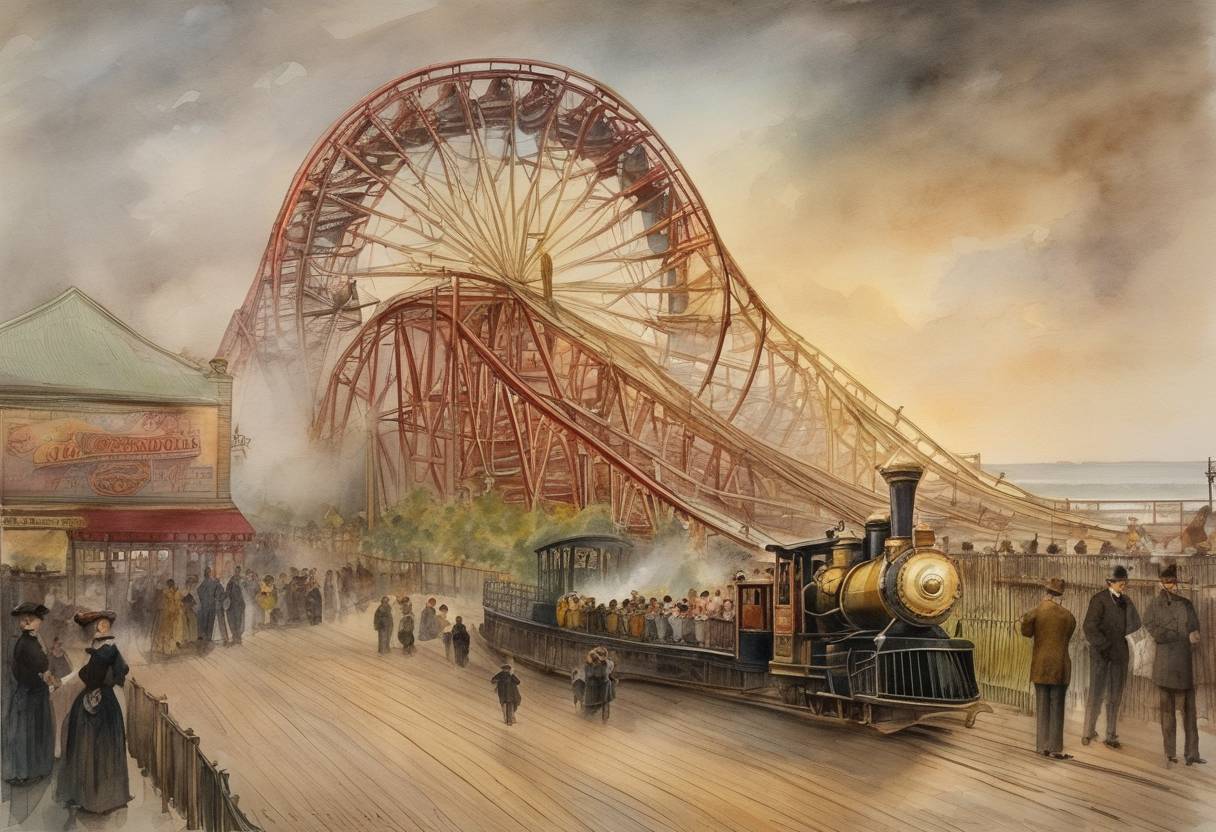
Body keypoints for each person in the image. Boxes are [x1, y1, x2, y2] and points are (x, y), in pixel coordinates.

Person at [57, 610, 131, 814]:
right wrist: (60, 683)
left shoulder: (111, 649)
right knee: (86, 747)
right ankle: (86, 796)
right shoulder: (92, 649)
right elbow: (78, 673)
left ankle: (104, 798)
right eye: (98, 625)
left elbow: (121, 672)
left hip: (104, 703)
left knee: (101, 747)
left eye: (102, 624)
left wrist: (104, 682)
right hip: (90, 700)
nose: (101, 627)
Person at [1142, 563, 1204, 767]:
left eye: (1173, 582)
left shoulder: (1186, 604)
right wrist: (1172, 635)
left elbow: (1195, 630)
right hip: (1165, 663)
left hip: (1183, 663)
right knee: (1167, 711)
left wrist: (1194, 635)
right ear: (1161, 582)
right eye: (1167, 582)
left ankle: (1192, 753)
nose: (1171, 585)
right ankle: (1170, 753)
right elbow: (1149, 626)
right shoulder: (1154, 605)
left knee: (1189, 711)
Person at [1082, 564, 1141, 749]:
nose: (1123, 584)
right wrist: (1104, 644)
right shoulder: (1098, 600)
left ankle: (1111, 735)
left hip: (1119, 656)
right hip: (1100, 655)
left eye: (1125, 582)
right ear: (1110, 582)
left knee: (1115, 695)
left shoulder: (1127, 601)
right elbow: (1089, 627)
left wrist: (1127, 635)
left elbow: (1136, 624)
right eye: (1119, 582)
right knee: (1096, 694)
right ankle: (1088, 732)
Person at [1019, 577, 1076, 759]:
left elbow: (1026, 632)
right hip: (1061, 666)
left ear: (1046, 593)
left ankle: (1041, 745)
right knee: (1057, 706)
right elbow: (1068, 635)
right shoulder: (1068, 616)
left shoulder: (1036, 612)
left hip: (1041, 666)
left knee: (1042, 705)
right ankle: (1054, 747)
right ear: (1061, 596)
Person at [3, 602, 55, 786]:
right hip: (29, 694)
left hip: (34, 692)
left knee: (34, 732)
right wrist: (48, 678)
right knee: (29, 733)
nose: (26, 621)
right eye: (25, 619)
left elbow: (42, 665)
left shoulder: (32, 640)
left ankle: (35, 769)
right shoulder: (26, 643)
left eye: (31, 619)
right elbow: (41, 663)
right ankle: (27, 771)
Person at [151, 579, 185, 656]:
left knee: (174, 630)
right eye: (169, 584)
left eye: (172, 584)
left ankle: (173, 646)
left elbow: (181, 601)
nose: (171, 586)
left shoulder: (177, 592)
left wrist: (180, 607)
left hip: (175, 613)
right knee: (166, 631)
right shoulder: (166, 592)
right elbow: (163, 602)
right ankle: (164, 648)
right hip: (167, 613)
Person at [196, 566, 221, 642]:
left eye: (208, 572)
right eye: (206, 572)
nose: (207, 573)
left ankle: (209, 637)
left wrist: (215, 598)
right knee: (205, 620)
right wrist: (203, 599)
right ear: (205, 573)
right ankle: (205, 636)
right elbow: (199, 590)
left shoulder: (213, 581)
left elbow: (217, 591)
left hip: (211, 604)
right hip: (205, 605)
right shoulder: (204, 582)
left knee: (211, 621)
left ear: (210, 573)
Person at [225, 567, 246, 644]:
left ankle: (238, 638)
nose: (237, 572)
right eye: (236, 571)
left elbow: (244, 592)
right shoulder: (231, 580)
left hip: (239, 604)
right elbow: (227, 591)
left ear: (239, 572)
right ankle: (234, 637)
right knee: (232, 621)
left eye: (238, 571)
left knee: (239, 621)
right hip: (232, 604)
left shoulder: (242, 580)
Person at [180, 578, 199, 643]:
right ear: (187, 583)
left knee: (193, 621)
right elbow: (181, 600)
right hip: (184, 608)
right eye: (189, 583)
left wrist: (192, 604)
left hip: (190, 608)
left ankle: (192, 638)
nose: (190, 585)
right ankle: (185, 638)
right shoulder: (183, 590)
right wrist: (184, 605)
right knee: (184, 622)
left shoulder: (193, 591)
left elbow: (195, 602)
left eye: (191, 583)